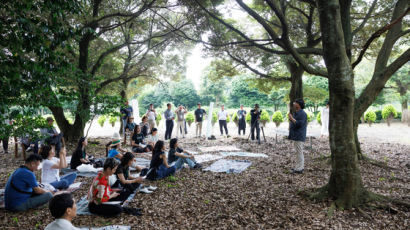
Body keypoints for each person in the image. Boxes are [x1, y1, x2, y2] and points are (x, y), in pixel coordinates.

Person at [288, 99, 308, 174]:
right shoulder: (296, 113)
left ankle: (300, 168)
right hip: (296, 135)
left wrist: (291, 118)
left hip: (299, 136)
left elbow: (299, 124)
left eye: (295, 102)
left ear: (298, 105)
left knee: (299, 152)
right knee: (297, 152)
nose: (293, 103)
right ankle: (297, 167)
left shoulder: (302, 114)